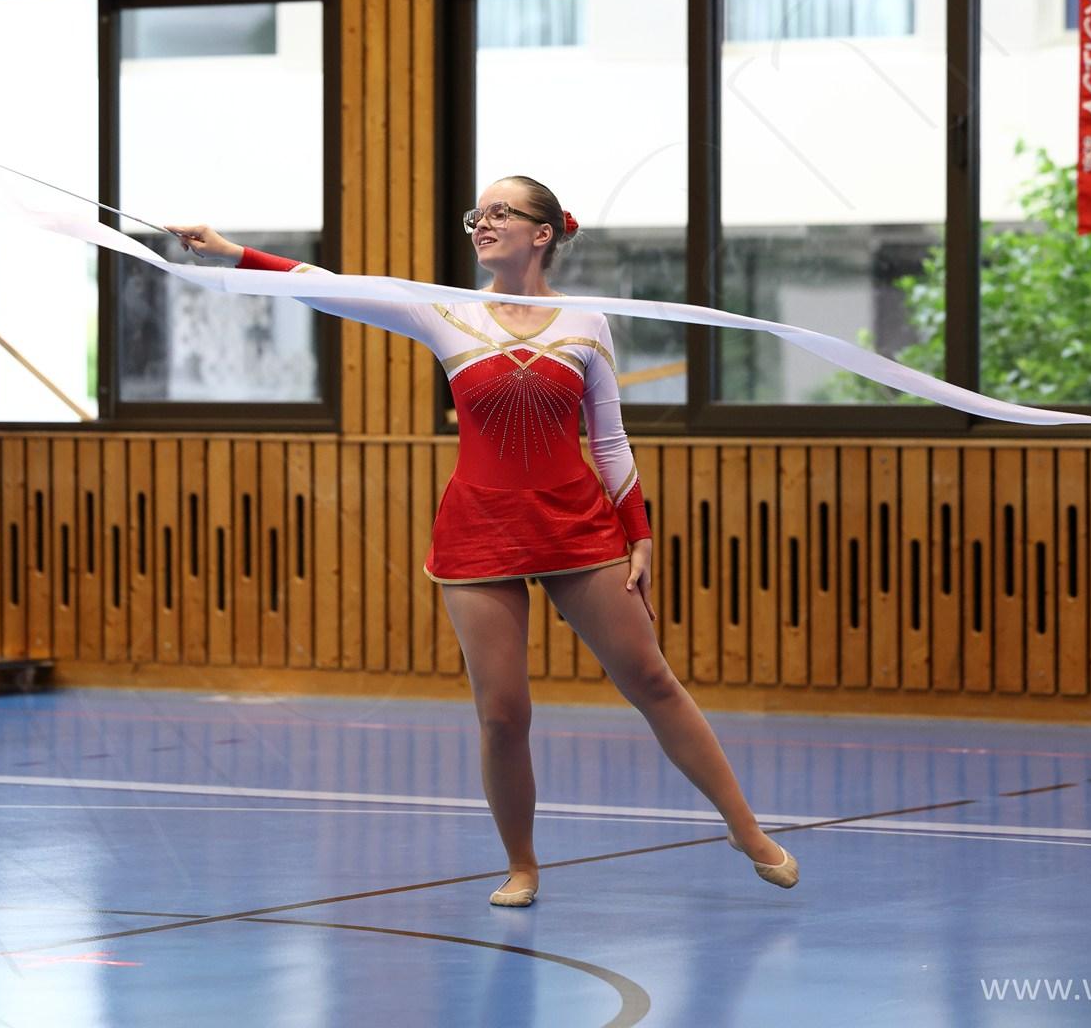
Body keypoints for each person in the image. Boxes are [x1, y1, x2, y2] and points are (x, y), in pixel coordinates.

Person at [169, 175, 798, 907]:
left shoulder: (587, 323)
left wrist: (641, 534)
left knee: (653, 681)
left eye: (501, 212)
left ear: (542, 233)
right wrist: (231, 252)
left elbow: (610, 439)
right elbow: (328, 287)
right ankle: (522, 864)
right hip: (480, 531)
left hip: (576, 525)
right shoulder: (445, 312)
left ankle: (744, 829)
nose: (482, 223)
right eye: (478, 214)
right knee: (502, 715)